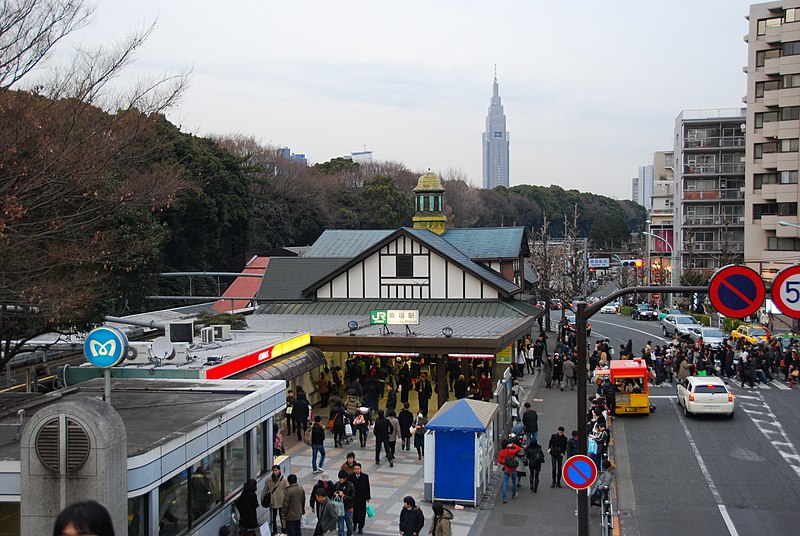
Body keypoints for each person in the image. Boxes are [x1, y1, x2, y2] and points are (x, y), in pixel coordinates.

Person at [262, 464, 289, 535]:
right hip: (273, 501)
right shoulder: (268, 480)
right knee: (273, 518)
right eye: (273, 470)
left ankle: (284, 530)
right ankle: (274, 530)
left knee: (282, 517)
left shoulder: (284, 479)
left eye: (276, 470)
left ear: (279, 470)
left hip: (282, 501)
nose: (275, 472)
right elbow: (265, 489)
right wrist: (262, 498)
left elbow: (287, 490)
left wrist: (287, 500)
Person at [348, 462, 371, 534]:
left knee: (362, 513)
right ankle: (354, 524)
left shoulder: (365, 476)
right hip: (354, 498)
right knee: (354, 513)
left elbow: (367, 487)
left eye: (358, 469)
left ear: (360, 469)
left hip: (362, 498)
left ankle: (360, 527)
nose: (357, 470)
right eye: (355, 469)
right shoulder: (351, 477)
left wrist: (368, 497)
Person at [333, 470, 356, 536]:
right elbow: (332, 492)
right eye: (339, 478)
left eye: (341, 478)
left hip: (348, 508)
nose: (340, 480)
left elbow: (353, 497)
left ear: (345, 478)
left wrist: (344, 496)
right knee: (340, 526)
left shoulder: (350, 485)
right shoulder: (337, 484)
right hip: (339, 508)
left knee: (349, 525)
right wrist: (335, 494)